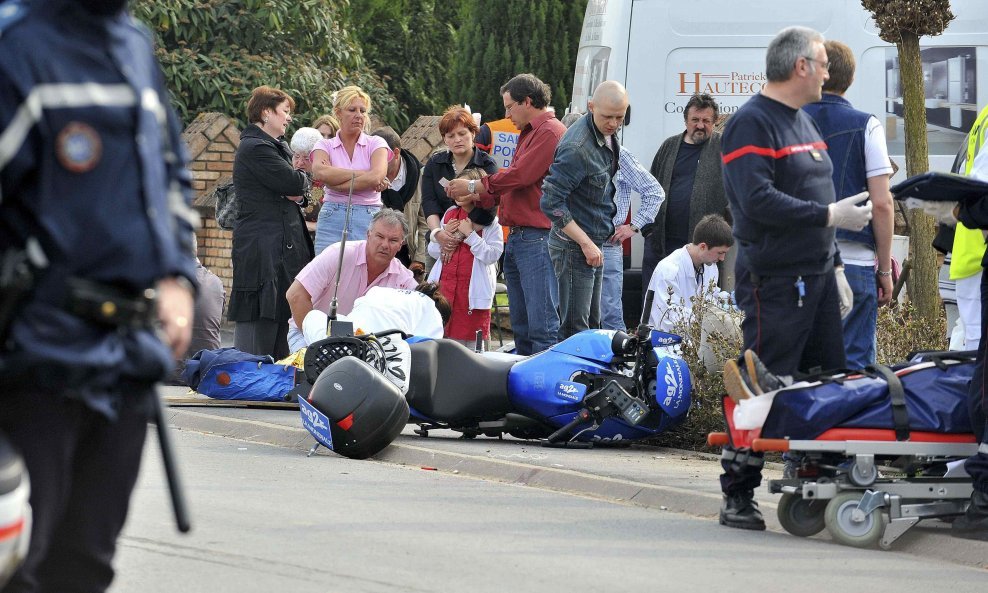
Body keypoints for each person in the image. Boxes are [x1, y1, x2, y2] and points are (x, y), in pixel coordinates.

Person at [0, 0, 197, 590]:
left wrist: (177, 278)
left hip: (127, 360)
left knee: (87, 566)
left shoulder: (135, 44)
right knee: (21, 571)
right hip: (38, 361)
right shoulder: (17, 48)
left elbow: (170, 177)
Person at [716, 26, 872, 531]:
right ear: (801, 66)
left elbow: (816, 192)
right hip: (777, 281)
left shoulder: (803, 121)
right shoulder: (752, 124)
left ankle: (813, 479)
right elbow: (756, 202)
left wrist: (840, 268)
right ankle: (737, 493)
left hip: (820, 276)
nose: (829, 72)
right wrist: (830, 217)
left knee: (826, 381)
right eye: (823, 62)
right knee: (758, 383)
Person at [446, 74, 566, 355]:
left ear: (528, 101)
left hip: (537, 239)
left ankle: (542, 390)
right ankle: (525, 386)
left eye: (510, 107)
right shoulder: (532, 132)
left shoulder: (549, 132)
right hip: (521, 237)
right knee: (523, 326)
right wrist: (477, 194)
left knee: (541, 326)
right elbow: (514, 182)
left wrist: (475, 185)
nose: (506, 114)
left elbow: (521, 176)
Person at [802, 40, 895, 369]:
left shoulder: (786, 122)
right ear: (851, 79)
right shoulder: (866, 125)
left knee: (800, 372)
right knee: (854, 374)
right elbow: (882, 204)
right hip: (855, 262)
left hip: (796, 264)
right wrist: (884, 268)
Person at [228, 85, 314, 360]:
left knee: (280, 322)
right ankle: (251, 387)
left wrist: (298, 189)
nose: (288, 118)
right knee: (258, 328)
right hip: (261, 249)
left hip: (280, 249)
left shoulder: (277, 148)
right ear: (266, 113)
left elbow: (300, 193)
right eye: (284, 111)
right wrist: (299, 180)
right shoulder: (255, 147)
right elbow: (293, 182)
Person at [559, 112, 665, 332]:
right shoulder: (566, 155)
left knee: (609, 313)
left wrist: (634, 226)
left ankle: (616, 363)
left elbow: (654, 191)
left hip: (606, 242)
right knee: (570, 312)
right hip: (570, 241)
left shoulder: (619, 155)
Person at [541, 81, 629, 341]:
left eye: (619, 118)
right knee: (574, 331)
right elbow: (550, 202)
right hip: (573, 246)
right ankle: (571, 381)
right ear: (591, 107)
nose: (613, 124)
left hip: (594, 240)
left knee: (592, 325)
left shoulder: (607, 134)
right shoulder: (576, 148)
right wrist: (586, 243)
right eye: (607, 117)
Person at [286, 209, 418, 351]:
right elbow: (295, 295)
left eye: (393, 240)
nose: (385, 245)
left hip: (364, 347)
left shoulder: (404, 280)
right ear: (368, 235)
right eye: (380, 236)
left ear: (401, 245)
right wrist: (317, 340)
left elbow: (418, 320)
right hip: (307, 335)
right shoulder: (339, 253)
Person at [944, 137, 988, 541]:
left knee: (975, 369)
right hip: (974, 257)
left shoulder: (983, 120)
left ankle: (970, 481)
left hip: (972, 255)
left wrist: (962, 210)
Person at [642, 93, 728, 290]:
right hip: (663, 242)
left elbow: (737, 192)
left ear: (715, 122)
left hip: (704, 246)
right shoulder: (669, 146)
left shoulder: (723, 148)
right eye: (695, 120)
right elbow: (650, 187)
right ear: (686, 121)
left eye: (706, 120)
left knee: (696, 301)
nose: (700, 125)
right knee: (659, 299)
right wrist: (648, 230)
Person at [310, 86, 393, 255]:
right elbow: (319, 172)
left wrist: (336, 183)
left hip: (367, 215)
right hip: (332, 214)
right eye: (352, 109)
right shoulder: (324, 145)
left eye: (363, 111)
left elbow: (377, 176)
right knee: (325, 274)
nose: (359, 115)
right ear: (338, 112)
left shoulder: (376, 143)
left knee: (363, 273)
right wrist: (366, 175)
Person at [427, 169, 504, 347]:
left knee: (470, 348)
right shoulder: (449, 214)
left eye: (463, 187)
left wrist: (470, 235)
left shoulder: (491, 223)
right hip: (444, 291)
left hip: (471, 297)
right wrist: (444, 236)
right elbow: (433, 252)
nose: (458, 193)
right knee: (441, 340)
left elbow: (492, 255)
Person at [421, 106, 499, 275]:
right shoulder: (435, 164)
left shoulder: (487, 165)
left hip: (476, 240)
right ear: (444, 139)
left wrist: (457, 237)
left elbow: (491, 206)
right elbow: (429, 202)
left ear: (473, 133)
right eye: (451, 136)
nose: (457, 139)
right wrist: (438, 234)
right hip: (439, 240)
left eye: (462, 134)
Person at [647, 214, 733, 332]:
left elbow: (710, 299)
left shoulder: (710, 267)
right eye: (720, 253)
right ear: (703, 246)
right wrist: (711, 318)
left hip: (694, 338)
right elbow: (666, 319)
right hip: (665, 342)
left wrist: (728, 300)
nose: (722, 258)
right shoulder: (669, 270)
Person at [301, 284, 451, 343]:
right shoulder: (431, 308)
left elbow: (358, 308)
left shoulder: (381, 290)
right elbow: (432, 348)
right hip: (382, 353)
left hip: (347, 339)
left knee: (313, 316)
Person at [372, 126, 427, 280]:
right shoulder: (368, 175)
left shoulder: (420, 176)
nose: (373, 160)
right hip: (376, 252)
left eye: (380, 155)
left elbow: (426, 221)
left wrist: (420, 259)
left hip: (408, 252)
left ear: (395, 153)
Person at [171, 236, 226, 383]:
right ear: (196, 250)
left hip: (172, 372)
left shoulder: (165, 282)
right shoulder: (216, 282)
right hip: (207, 370)